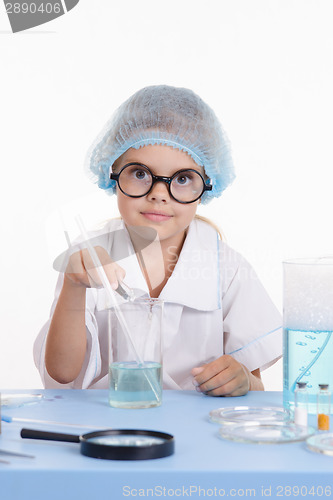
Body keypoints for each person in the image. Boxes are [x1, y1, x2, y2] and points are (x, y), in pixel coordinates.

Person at [34, 85, 282, 395]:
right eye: (140, 173)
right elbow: (61, 374)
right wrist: (73, 286)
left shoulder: (226, 268)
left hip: (193, 433)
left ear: (207, 184)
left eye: (181, 179)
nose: (158, 194)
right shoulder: (88, 259)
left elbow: (254, 384)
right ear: (112, 173)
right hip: (108, 426)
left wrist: (242, 379)